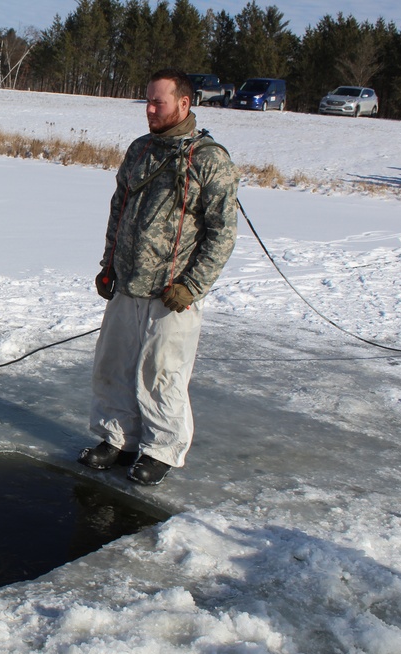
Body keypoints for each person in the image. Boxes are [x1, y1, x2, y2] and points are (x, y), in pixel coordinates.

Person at [78, 69, 238, 486]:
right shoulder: (139, 150)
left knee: (162, 372)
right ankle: (118, 438)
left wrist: (193, 285)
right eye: (147, 101)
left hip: (173, 293)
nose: (149, 110)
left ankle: (162, 448)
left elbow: (223, 231)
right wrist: (108, 264)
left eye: (158, 102)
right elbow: (119, 210)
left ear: (184, 104)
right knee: (113, 364)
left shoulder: (210, 159)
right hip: (128, 283)